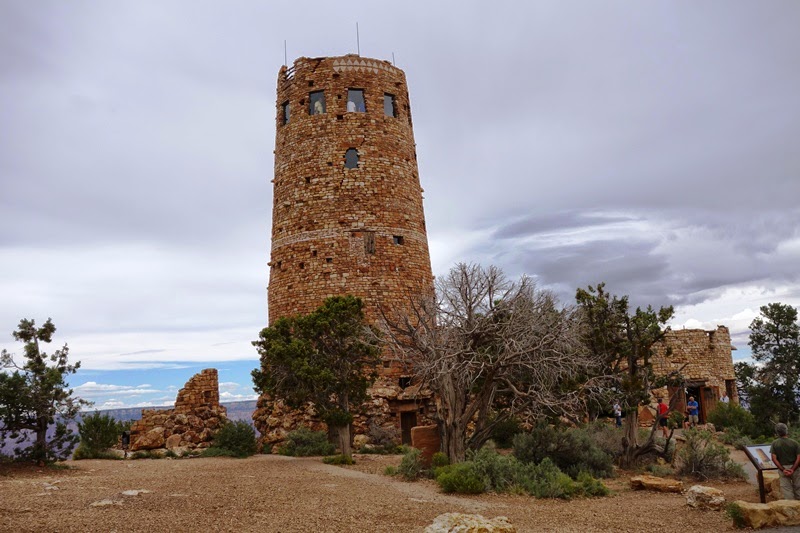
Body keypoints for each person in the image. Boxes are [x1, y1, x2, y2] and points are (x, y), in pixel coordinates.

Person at [770, 423, 800, 500]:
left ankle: (791, 506)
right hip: (795, 468)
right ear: (786, 430)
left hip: (783, 468)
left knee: (786, 489)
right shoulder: (795, 443)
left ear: (777, 432)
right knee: (798, 486)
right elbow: (798, 458)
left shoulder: (775, 443)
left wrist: (783, 469)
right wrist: (792, 469)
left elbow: (774, 458)